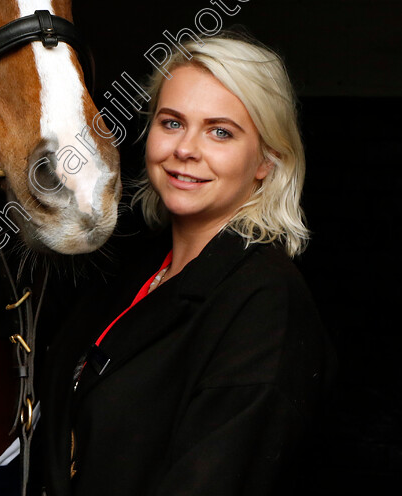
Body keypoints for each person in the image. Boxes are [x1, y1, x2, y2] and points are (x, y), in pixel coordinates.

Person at [37, 31, 334, 495]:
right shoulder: (135, 271)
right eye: (172, 122)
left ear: (267, 160)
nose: (185, 149)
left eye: (220, 132)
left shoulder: (267, 304)